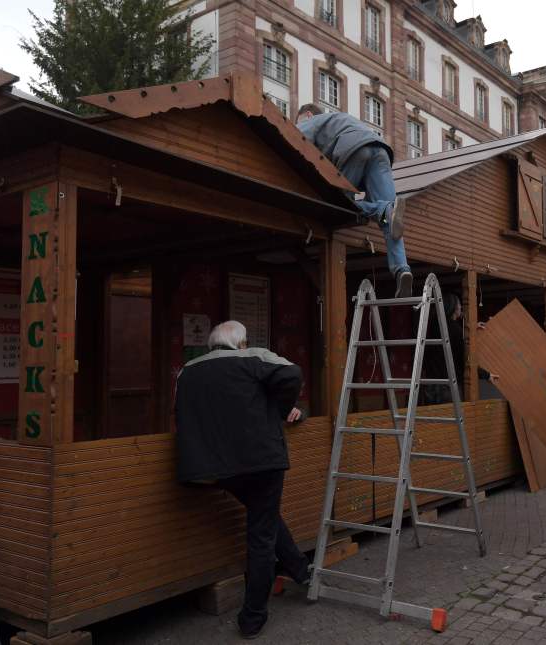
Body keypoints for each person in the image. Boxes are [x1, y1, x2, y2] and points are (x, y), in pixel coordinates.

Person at [175, 320, 310, 639]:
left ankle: (300, 570)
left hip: (213, 469)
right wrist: (281, 407)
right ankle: (252, 617)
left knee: (264, 517)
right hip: (260, 461)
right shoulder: (253, 357)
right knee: (261, 535)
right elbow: (293, 373)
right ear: (241, 342)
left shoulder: (187, 371)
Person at [296, 103, 412, 298]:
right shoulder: (346, 119)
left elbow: (297, 140)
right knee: (390, 220)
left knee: (341, 205)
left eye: (297, 121)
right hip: (381, 151)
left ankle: (382, 211)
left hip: (354, 149)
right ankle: (402, 269)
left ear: (307, 115)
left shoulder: (314, 120)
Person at [419, 292, 497, 405]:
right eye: (459, 304)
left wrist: (471, 327)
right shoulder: (455, 331)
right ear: (454, 308)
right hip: (448, 387)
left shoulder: (433, 325)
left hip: (431, 385)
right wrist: (486, 375)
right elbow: (465, 361)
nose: (461, 307)